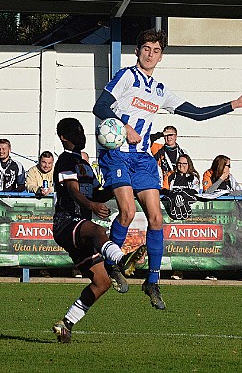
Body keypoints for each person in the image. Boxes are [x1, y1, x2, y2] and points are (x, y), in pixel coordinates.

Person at [93, 28, 242, 309]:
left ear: (161, 56)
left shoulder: (160, 91)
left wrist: (234, 104)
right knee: (128, 211)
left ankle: (152, 281)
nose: (150, 55)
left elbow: (198, 113)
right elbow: (100, 106)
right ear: (137, 51)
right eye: (146, 49)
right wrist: (124, 126)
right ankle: (113, 264)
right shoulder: (126, 77)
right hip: (117, 154)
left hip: (142, 158)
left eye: (156, 51)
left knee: (156, 219)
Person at [51, 117, 146, 343]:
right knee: (96, 231)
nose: (81, 134)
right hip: (66, 222)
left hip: (79, 225)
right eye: (76, 131)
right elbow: (73, 190)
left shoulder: (84, 164)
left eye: (82, 130)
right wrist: (92, 206)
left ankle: (66, 323)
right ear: (64, 137)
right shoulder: (65, 160)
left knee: (101, 282)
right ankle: (121, 261)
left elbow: (97, 193)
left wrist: (119, 188)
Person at [161, 154, 200, 279]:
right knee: (173, 241)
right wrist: (175, 195)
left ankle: (190, 269)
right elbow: (164, 190)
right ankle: (175, 270)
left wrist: (182, 195)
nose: (181, 166)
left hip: (189, 215)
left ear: (189, 165)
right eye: (179, 163)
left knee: (188, 242)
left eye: (184, 164)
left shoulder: (193, 177)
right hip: (172, 214)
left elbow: (195, 192)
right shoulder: (171, 175)